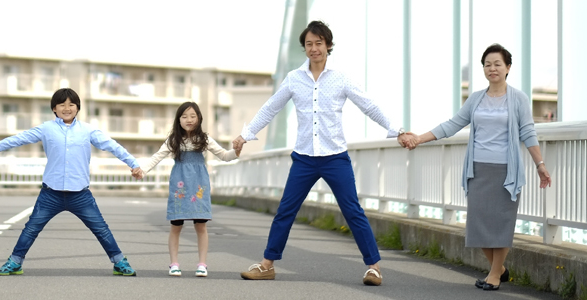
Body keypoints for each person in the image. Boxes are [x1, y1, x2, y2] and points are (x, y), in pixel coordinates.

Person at [231, 20, 414, 286]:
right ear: (304, 48)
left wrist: (397, 129)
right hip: (304, 158)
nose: (314, 48)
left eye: (319, 43)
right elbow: (271, 107)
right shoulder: (294, 78)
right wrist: (245, 135)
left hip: (335, 157)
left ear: (328, 46)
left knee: (352, 210)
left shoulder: (340, 78)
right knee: (285, 211)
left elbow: (368, 105)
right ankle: (267, 265)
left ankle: (373, 267)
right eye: (309, 44)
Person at [400, 44, 551, 291]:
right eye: (487, 64)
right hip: (478, 169)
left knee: (501, 223)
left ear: (508, 67)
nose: (492, 68)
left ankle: (493, 275)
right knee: (478, 224)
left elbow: (528, 132)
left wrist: (540, 165)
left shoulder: (519, 99)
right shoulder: (476, 99)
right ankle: (499, 269)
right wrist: (418, 138)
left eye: (497, 64)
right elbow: (452, 124)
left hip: (505, 171)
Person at [0, 88, 144, 276]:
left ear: (78, 107)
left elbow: (112, 146)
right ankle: (15, 263)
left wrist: (133, 164)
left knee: (101, 229)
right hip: (50, 193)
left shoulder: (87, 130)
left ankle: (120, 263)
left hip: (80, 194)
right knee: (31, 229)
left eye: (71, 104)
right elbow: (20, 139)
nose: (67, 108)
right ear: (54, 108)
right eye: (62, 104)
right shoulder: (46, 128)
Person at [137, 101, 239, 277]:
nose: (189, 120)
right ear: (178, 120)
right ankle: (174, 263)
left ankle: (202, 264)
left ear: (199, 118)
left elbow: (225, 155)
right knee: (176, 225)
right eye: (184, 116)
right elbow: (157, 157)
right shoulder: (174, 140)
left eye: (193, 116)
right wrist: (142, 170)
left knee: (201, 225)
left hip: (199, 185)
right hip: (180, 184)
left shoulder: (204, 139)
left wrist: (237, 150)